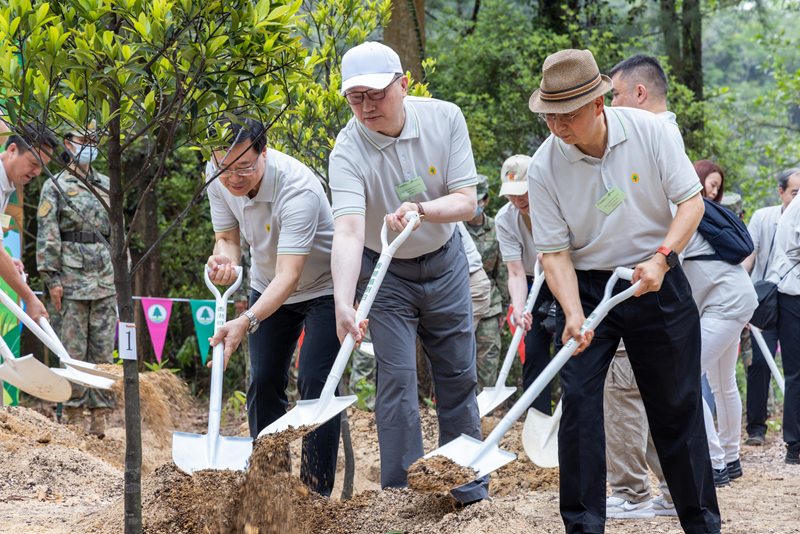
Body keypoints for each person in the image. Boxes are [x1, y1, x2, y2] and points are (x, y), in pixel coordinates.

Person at [527, 49, 720, 534]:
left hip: (657, 275)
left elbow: (690, 203)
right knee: (580, 407)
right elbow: (554, 254)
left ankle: (701, 523)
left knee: (676, 404)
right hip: (590, 288)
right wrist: (572, 312)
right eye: (550, 116)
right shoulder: (543, 165)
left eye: (568, 115)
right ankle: (584, 526)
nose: (558, 127)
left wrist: (662, 257)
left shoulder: (652, 132)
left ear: (597, 104)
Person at [329, 41, 488, 503]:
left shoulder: (445, 118)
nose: (366, 107)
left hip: (445, 262)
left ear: (403, 85)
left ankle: (466, 486)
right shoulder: (347, 148)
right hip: (386, 272)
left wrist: (421, 210)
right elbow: (348, 230)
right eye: (355, 98)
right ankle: (402, 494)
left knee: (458, 375)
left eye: (376, 94)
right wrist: (344, 302)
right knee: (396, 379)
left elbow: (466, 201)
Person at [204, 117, 346, 497]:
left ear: (264, 152)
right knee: (264, 379)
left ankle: (315, 494)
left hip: (323, 288)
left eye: (244, 168)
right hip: (266, 285)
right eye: (223, 168)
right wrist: (225, 262)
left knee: (316, 384)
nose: (233, 178)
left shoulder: (298, 189)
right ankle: (269, 484)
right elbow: (226, 238)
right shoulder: (216, 173)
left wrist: (246, 320)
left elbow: (291, 275)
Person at [602, 53, 683, 519]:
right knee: (654, 390)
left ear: (638, 94)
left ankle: (631, 491)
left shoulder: (656, 136)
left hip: (644, 281)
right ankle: (672, 490)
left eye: (613, 94)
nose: (608, 106)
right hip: (651, 279)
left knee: (625, 389)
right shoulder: (662, 135)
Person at [36, 125, 116, 437]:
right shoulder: (55, 185)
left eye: (94, 142)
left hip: (104, 279)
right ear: (68, 144)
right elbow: (48, 232)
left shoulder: (107, 185)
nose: (89, 147)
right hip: (69, 280)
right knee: (71, 350)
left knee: (102, 352)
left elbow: (116, 234)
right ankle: (71, 417)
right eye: (84, 141)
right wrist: (51, 277)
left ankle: (99, 417)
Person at [685, 159, 757, 486]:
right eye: (710, 184)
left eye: (717, 186)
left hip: (726, 304)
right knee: (723, 380)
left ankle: (714, 464)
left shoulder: (687, 218)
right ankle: (729, 458)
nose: (714, 191)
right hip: (736, 300)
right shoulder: (702, 218)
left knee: (684, 377)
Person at [741, 168, 800, 446]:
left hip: (790, 297)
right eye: (794, 192)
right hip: (764, 298)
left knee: (793, 365)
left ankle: (792, 433)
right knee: (760, 361)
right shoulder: (763, 217)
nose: (797, 198)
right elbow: (749, 253)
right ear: (781, 192)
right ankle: (756, 428)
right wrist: (741, 288)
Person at [495, 154, 557, 412]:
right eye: (511, 193)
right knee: (532, 348)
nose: (517, 199)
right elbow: (516, 272)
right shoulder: (505, 219)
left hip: (573, 275)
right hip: (536, 281)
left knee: (570, 346)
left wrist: (558, 256)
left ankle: (569, 418)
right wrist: (519, 308)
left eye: (523, 191)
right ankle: (538, 416)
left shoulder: (559, 202)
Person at [0, 125, 56, 323]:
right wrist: (30, 298)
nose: (38, 171)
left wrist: (6, 259)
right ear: (12, 150)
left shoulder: (6, 185)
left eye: (43, 166)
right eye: (34, 163)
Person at [764, 178, 800, 465]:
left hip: (791, 295)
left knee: (795, 372)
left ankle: (794, 444)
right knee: (796, 372)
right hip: (793, 296)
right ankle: (794, 444)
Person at [465, 174, 508, 390]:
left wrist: (506, 308)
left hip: (490, 307)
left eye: (478, 201)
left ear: (486, 201)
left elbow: (503, 271)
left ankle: (485, 415)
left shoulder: (497, 230)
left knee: (487, 363)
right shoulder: (454, 228)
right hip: (459, 304)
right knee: (457, 360)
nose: (474, 206)